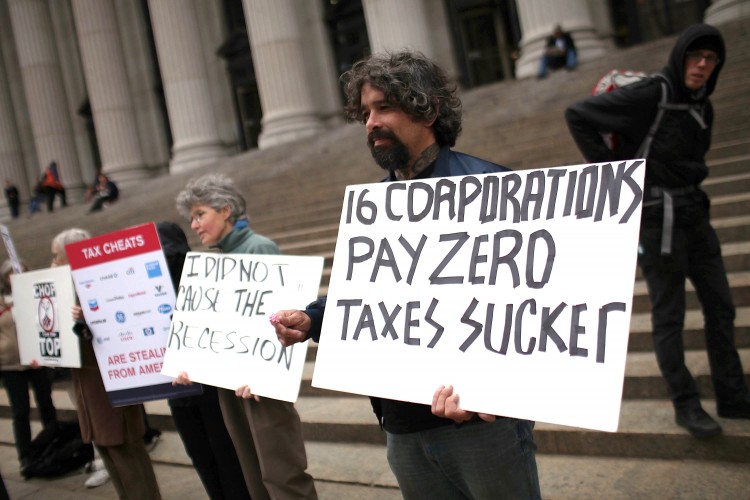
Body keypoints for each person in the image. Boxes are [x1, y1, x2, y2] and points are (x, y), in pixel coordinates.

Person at [270, 51, 540, 500]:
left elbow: (526, 310)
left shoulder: (492, 188)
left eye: (384, 108)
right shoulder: (374, 208)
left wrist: (491, 389)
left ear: (428, 109)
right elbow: (364, 297)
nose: (370, 122)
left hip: (478, 430)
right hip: (402, 429)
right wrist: (312, 319)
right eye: (365, 112)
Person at [565, 23, 750, 438]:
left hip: (694, 214)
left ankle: (733, 395)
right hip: (657, 219)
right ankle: (686, 405)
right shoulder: (654, 92)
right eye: (695, 57)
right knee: (670, 316)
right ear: (680, 56)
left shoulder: (704, 104)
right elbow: (577, 115)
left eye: (711, 60)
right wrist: (619, 175)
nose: (702, 66)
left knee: (721, 306)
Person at [174, 174, 317, 500]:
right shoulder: (216, 261)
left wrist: (262, 374)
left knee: (282, 477)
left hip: (262, 388)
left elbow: (284, 321)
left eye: (200, 215)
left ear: (225, 210)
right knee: (253, 477)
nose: (194, 225)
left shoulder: (259, 247)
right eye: (191, 218)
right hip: (232, 386)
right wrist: (190, 364)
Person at [51, 228, 162, 499]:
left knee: (126, 454)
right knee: (109, 451)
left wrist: (86, 321)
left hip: (110, 384)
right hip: (89, 387)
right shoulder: (66, 292)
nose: (52, 263)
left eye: (56, 257)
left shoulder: (104, 285)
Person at [157, 220, 251, 500]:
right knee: (222, 453)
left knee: (209, 454)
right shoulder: (187, 274)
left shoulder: (196, 275)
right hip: (195, 384)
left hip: (192, 385)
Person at [0, 260, 58, 471]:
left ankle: (52, 444)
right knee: (20, 410)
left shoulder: (35, 296)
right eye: (11, 274)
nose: (16, 277)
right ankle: (25, 456)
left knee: (46, 404)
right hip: (11, 366)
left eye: (21, 272)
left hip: (36, 361)